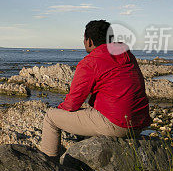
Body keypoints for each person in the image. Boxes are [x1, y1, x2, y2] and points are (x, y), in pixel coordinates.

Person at [40, 19, 151, 159]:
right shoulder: (127, 54)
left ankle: (48, 167)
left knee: (51, 117)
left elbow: (72, 104)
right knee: (88, 111)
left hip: (116, 124)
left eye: (84, 38)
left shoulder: (90, 62)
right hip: (139, 123)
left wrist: (59, 109)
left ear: (89, 41)